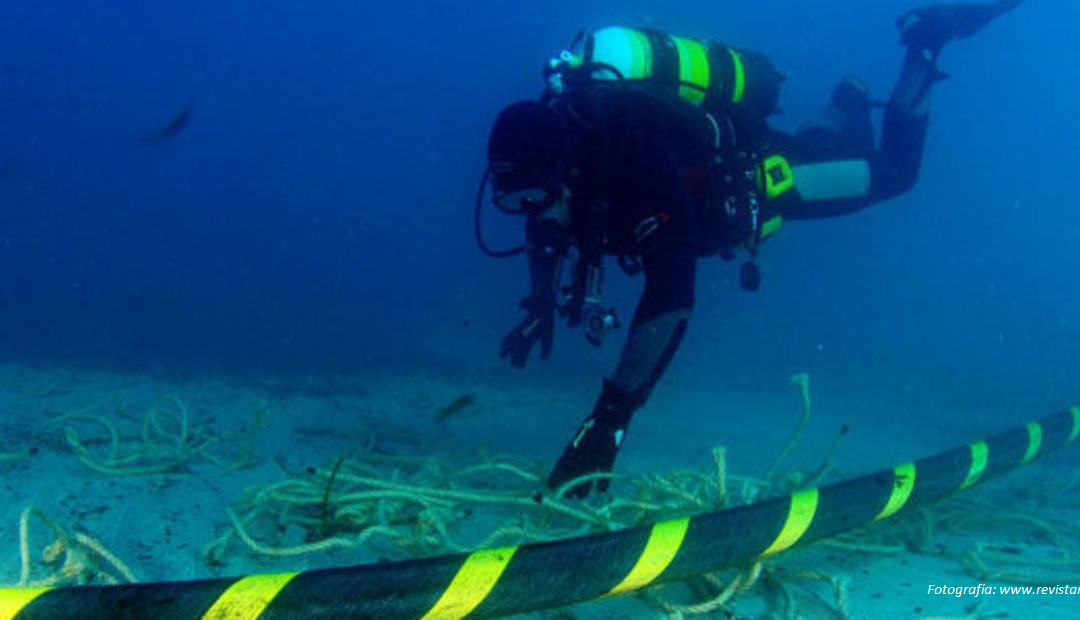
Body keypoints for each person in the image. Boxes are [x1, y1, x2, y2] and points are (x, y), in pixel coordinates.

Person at [480, 1, 1022, 498]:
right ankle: (845, 106)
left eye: (538, 195)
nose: (537, 212)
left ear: (567, 166)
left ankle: (927, 42)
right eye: (517, 201)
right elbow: (545, 224)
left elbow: (671, 293)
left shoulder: (636, 163)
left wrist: (610, 416)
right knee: (814, 148)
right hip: (726, 170)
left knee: (893, 174)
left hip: (768, 181)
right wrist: (540, 302)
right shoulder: (564, 173)